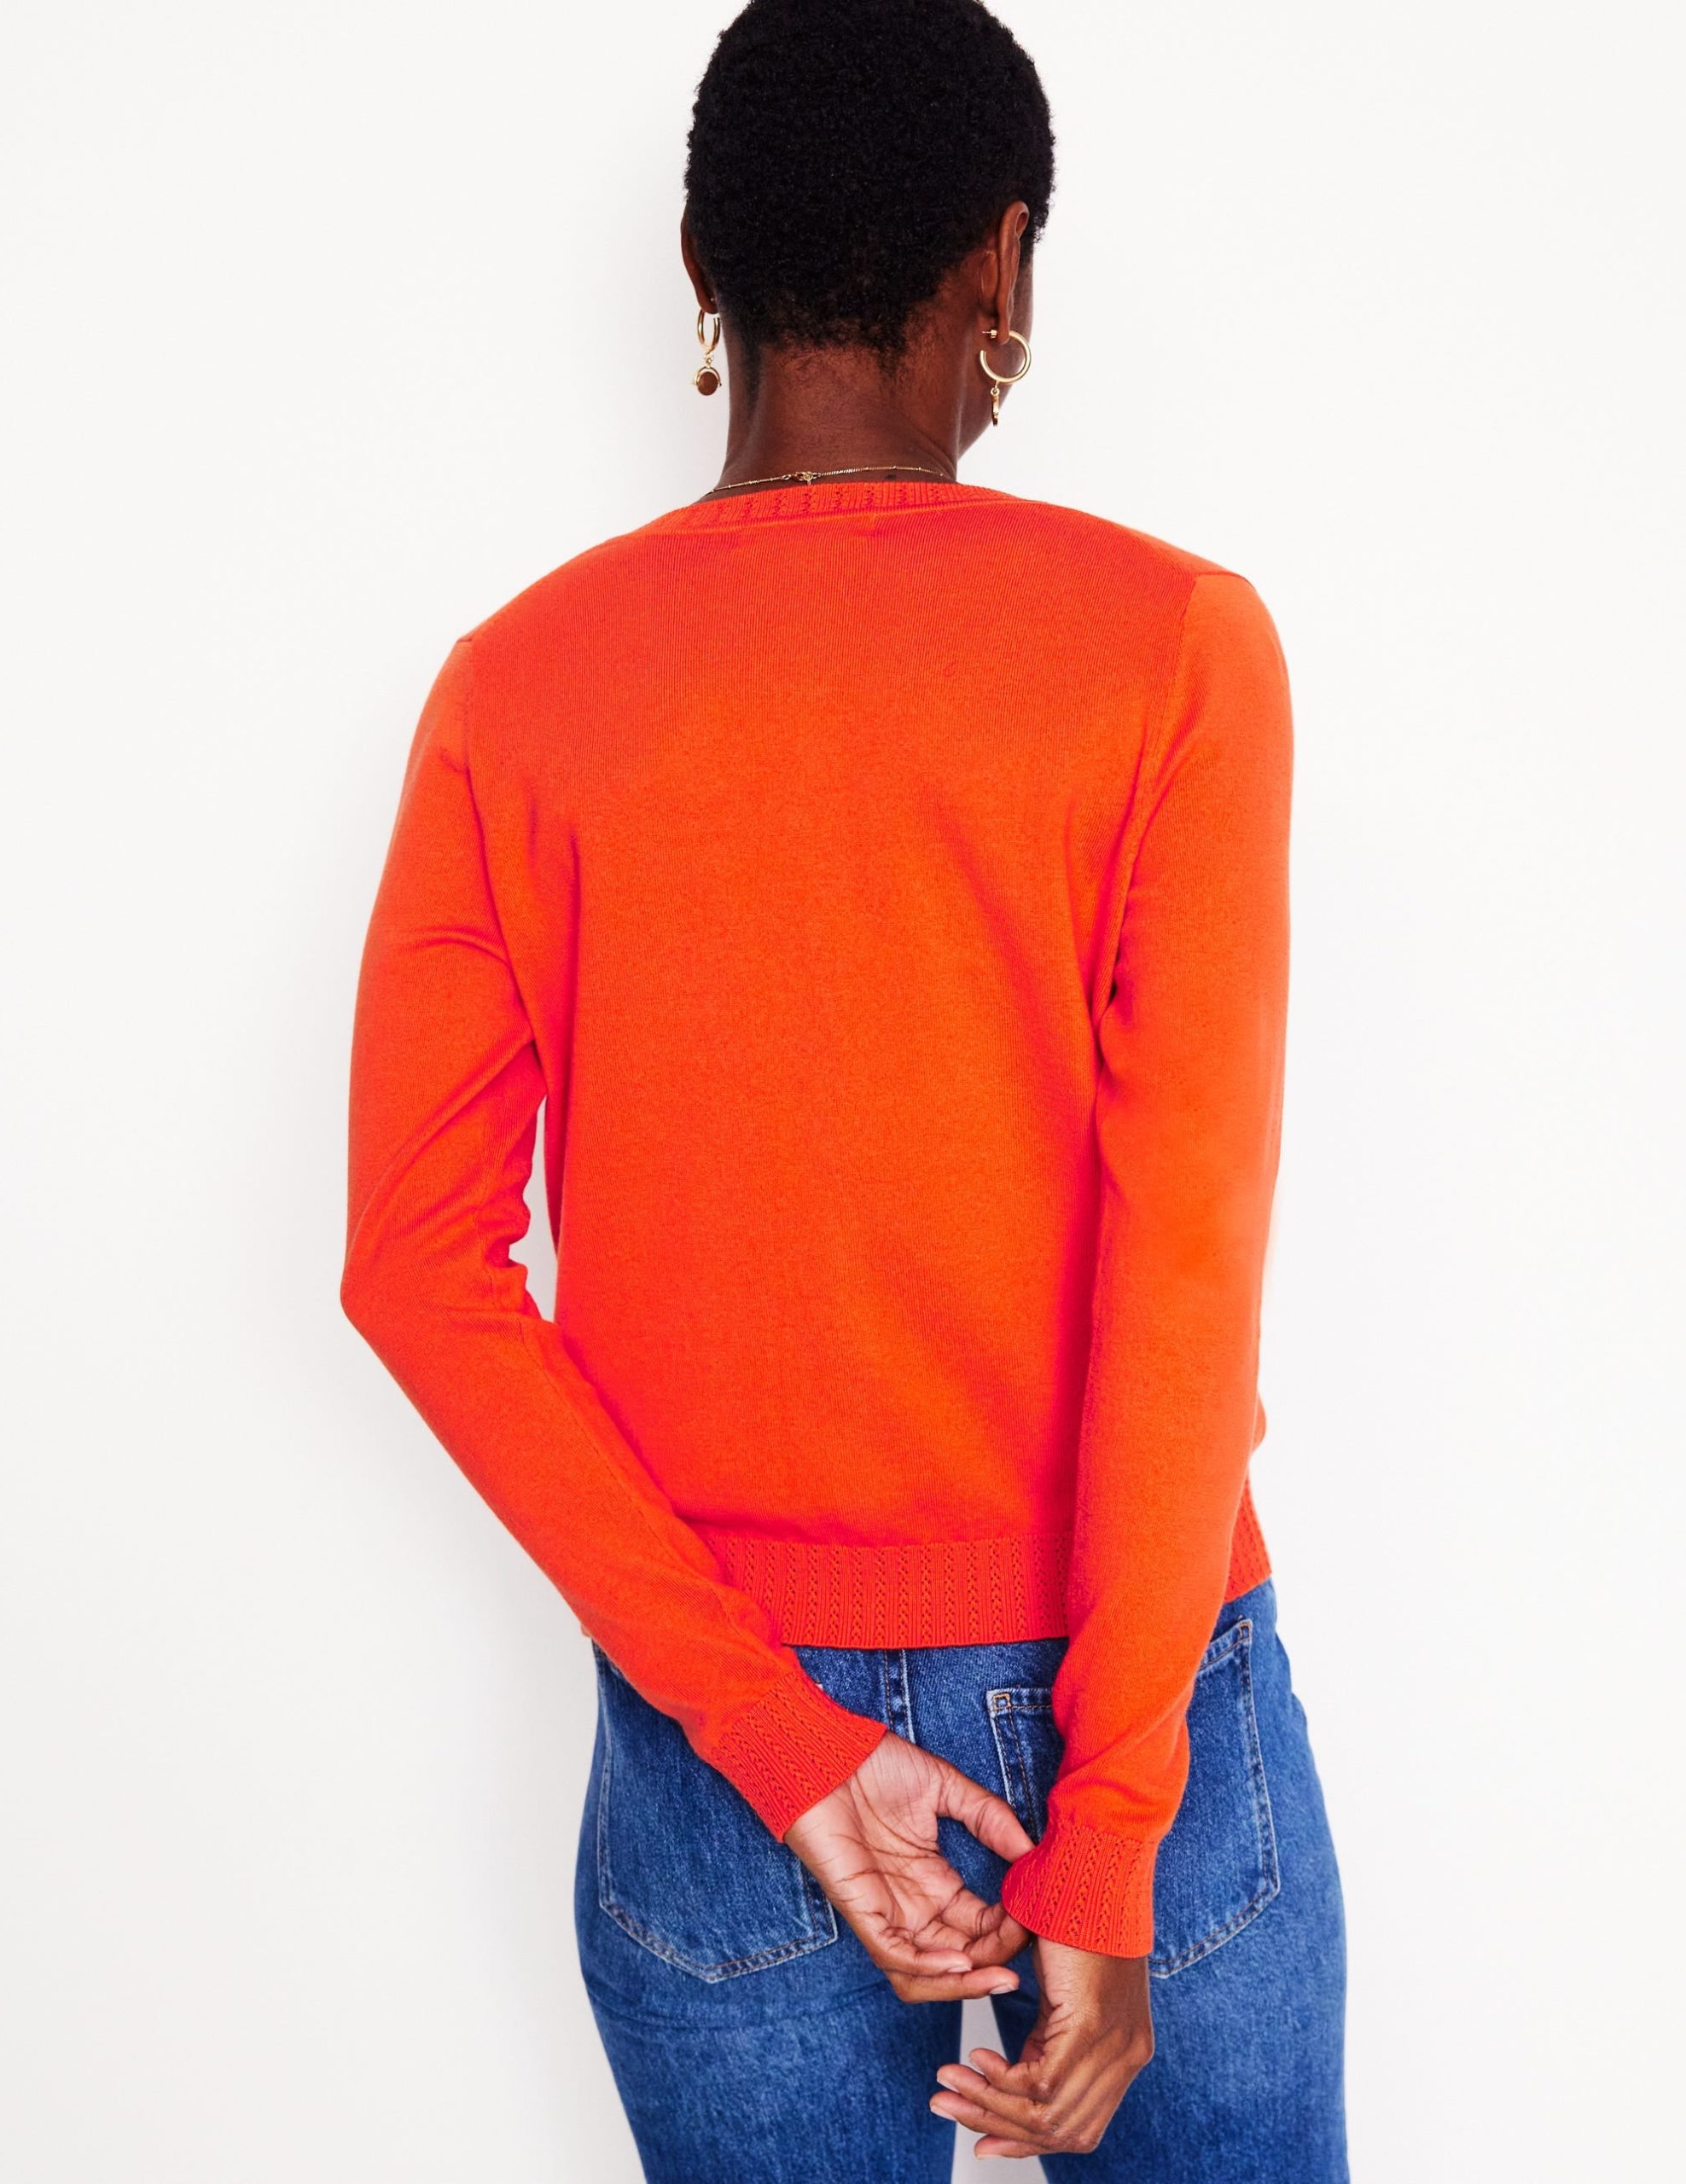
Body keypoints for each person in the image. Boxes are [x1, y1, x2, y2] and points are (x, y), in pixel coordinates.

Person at [340, 1, 1346, 2174]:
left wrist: (774, 1729)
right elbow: (1185, 1264)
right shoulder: (1176, 647)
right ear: (1004, 263)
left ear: (699, 268)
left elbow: (416, 1264)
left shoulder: (519, 691)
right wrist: (1112, 1821)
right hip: (1142, 1690)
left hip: (733, 1743)